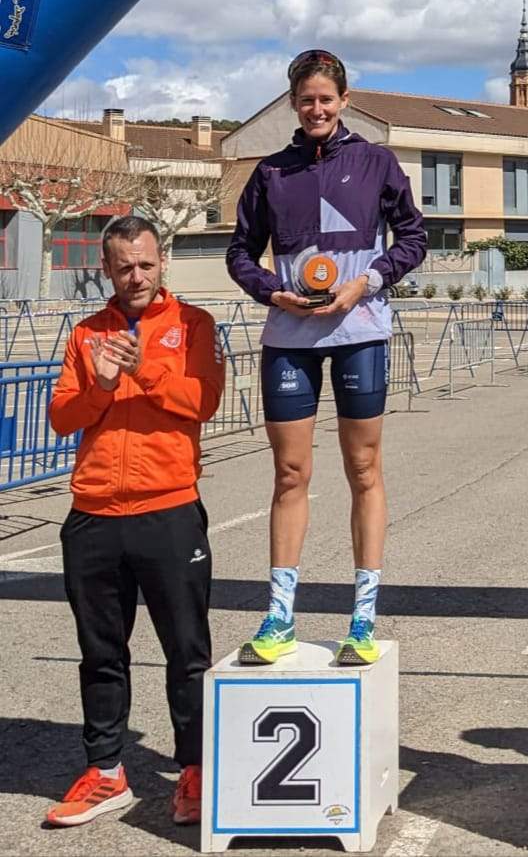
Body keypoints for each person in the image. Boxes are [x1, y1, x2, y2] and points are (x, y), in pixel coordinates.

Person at [227, 49, 426, 666]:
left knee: (363, 470)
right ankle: (279, 616)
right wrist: (271, 290)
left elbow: (414, 238)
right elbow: (240, 253)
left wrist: (367, 282)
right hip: (290, 338)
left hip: (360, 332)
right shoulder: (271, 173)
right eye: (306, 99)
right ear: (294, 102)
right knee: (290, 475)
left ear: (344, 99)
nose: (316, 109)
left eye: (326, 99)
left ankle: (362, 618)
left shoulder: (376, 161)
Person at [47, 216, 224, 828]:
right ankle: (105, 773)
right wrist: (99, 382)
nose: (136, 276)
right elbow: (63, 418)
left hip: (168, 510)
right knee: (100, 654)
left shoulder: (193, 325)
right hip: (93, 514)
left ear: (163, 259)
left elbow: (202, 402)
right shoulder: (85, 332)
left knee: (187, 652)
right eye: (124, 266)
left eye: (146, 264)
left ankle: (196, 770)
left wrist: (142, 367)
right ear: (106, 268)